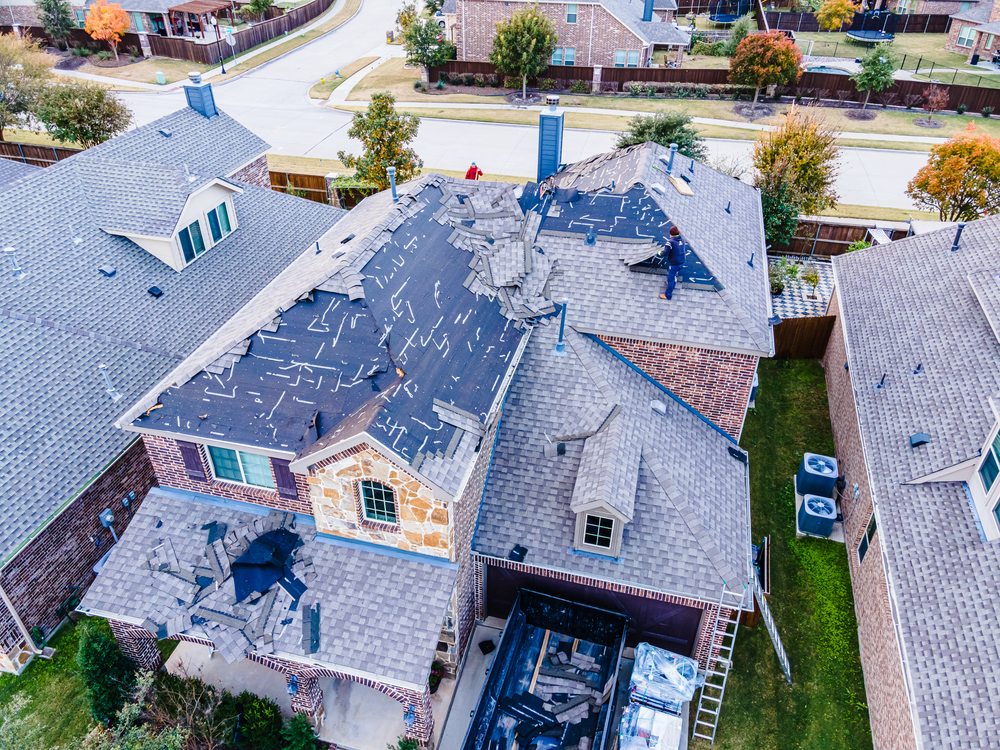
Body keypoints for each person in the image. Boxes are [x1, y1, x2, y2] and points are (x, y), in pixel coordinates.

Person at [659, 226, 686, 300]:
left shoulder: (670, 242)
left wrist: (659, 253)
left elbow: (665, 253)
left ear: (671, 234)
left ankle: (668, 295)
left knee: (670, 279)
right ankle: (675, 278)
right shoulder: (682, 239)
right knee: (675, 273)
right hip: (682, 261)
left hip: (675, 264)